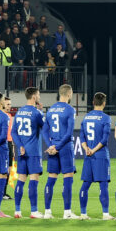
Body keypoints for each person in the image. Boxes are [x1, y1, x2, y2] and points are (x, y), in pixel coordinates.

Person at [44, 84, 77, 219]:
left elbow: (45, 130)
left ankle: (47, 212)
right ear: (69, 94)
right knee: (68, 178)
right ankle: (67, 212)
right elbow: (69, 133)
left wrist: (51, 145)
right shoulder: (69, 109)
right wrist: (57, 147)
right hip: (64, 148)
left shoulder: (51, 109)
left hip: (53, 147)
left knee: (51, 179)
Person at [78, 92, 112, 220]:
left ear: (93, 102)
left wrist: (87, 149)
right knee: (103, 184)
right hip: (100, 155)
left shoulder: (86, 117)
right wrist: (94, 150)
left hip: (88, 156)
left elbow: (82, 136)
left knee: (85, 185)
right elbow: (104, 140)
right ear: (104, 103)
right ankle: (105, 214)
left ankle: (83, 214)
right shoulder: (105, 118)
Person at [12, 87, 45, 218]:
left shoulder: (19, 112)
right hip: (33, 151)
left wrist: (19, 146)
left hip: (22, 151)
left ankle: (17, 211)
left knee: (20, 180)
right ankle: (34, 211)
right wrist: (41, 112)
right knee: (33, 180)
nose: (39, 97)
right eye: (38, 95)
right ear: (34, 97)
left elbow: (13, 132)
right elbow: (44, 126)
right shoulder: (36, 113)